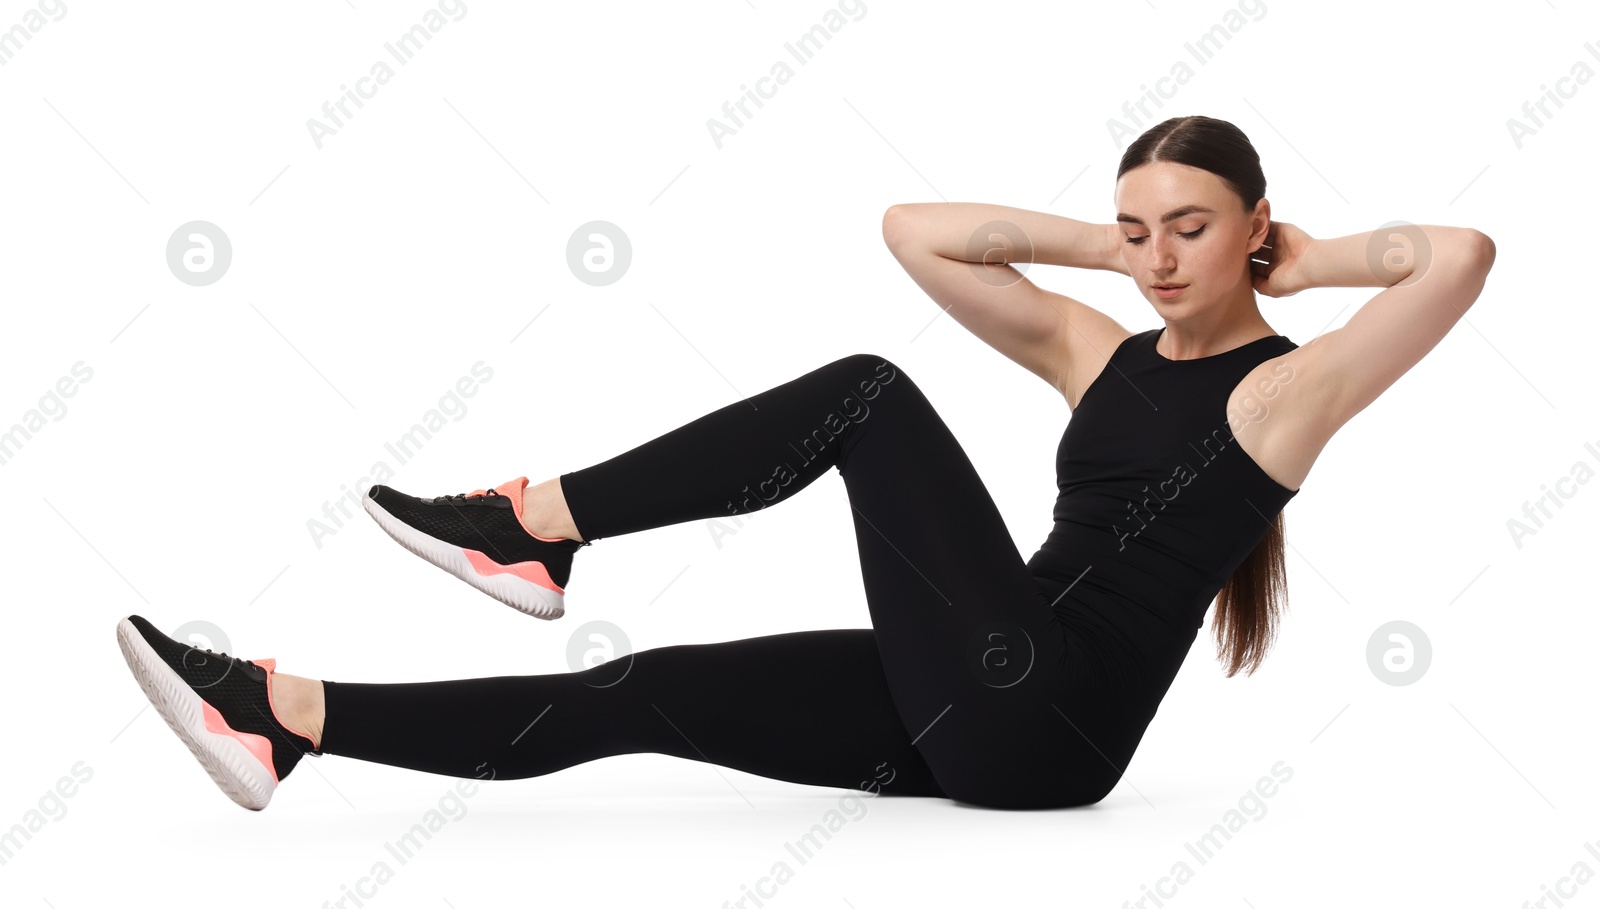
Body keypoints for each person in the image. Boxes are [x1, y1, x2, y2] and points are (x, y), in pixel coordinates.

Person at [114, 115, 1496, 811]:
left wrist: (1312, 261)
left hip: (1046, 715)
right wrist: (1104, 243)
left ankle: (542, 525)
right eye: (1139, 229)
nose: (1157, 258)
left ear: (1253, 224)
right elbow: (916, 231)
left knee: (867, 398)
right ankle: (284, 718)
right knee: (639, 687)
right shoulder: (1101, 349)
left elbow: (1459, 260)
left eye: (1192, 228)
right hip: (989, 683)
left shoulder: (1287, 393)